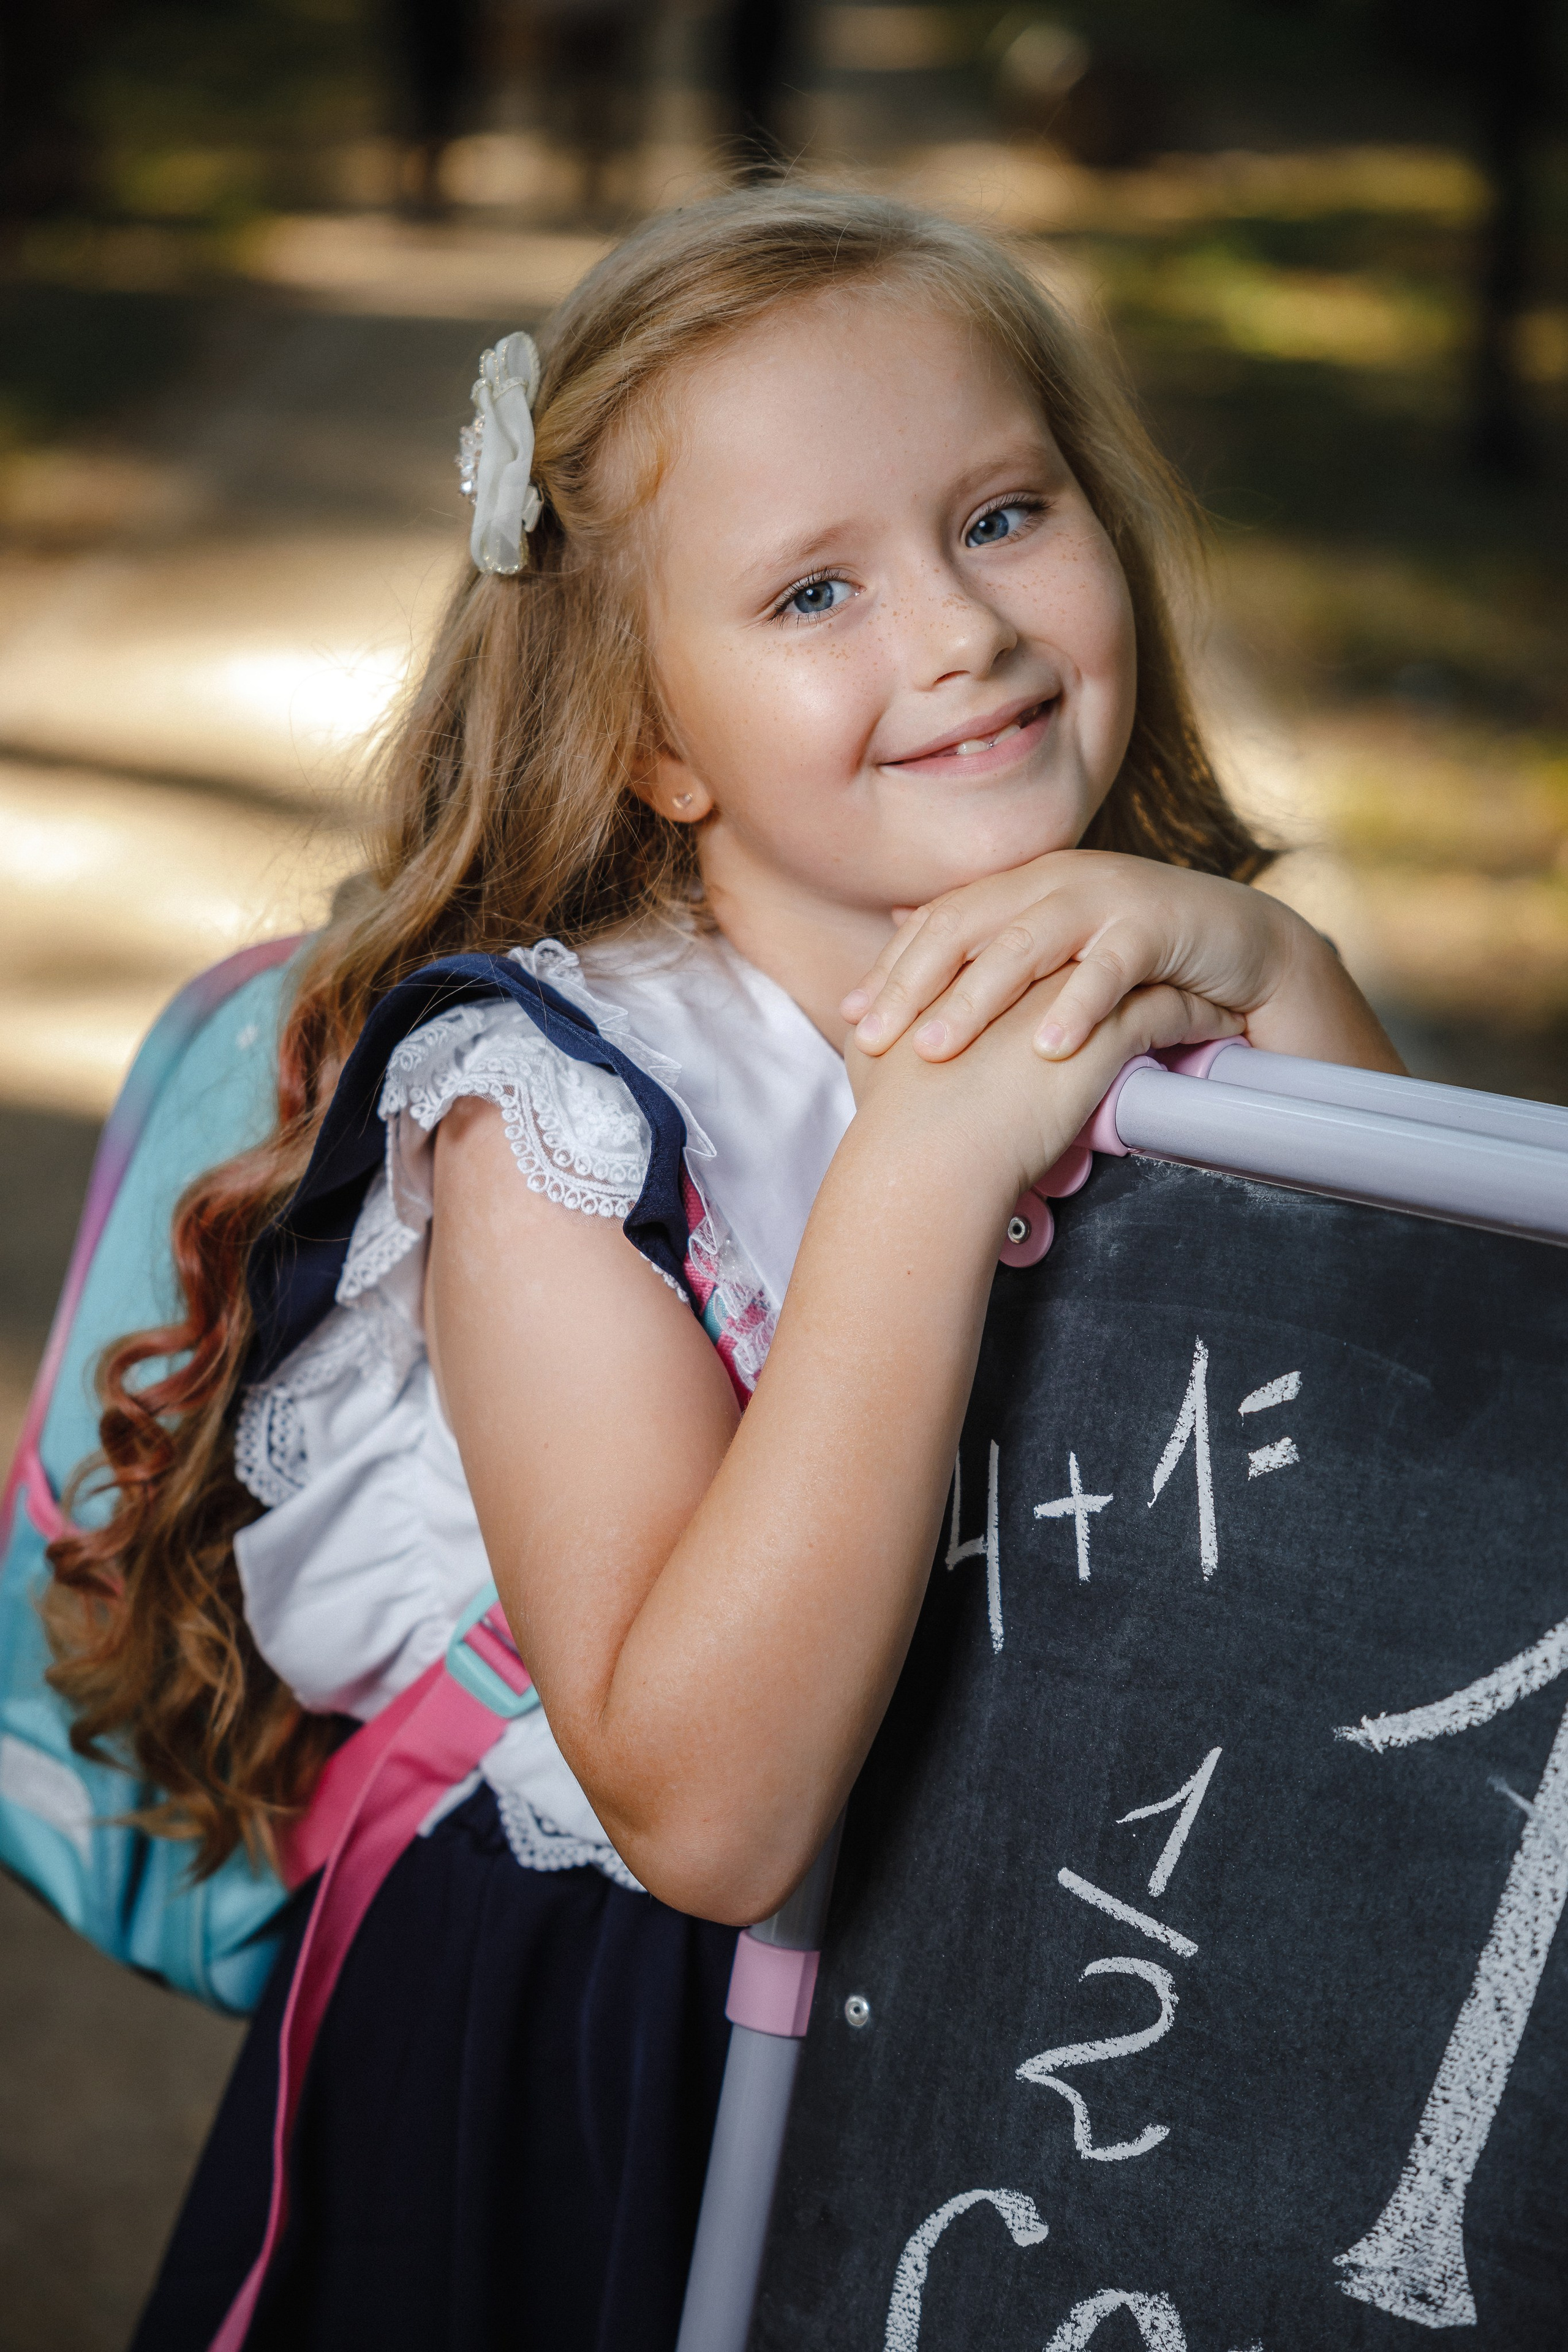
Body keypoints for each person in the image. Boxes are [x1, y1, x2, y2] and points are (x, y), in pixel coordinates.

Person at [45, 185, 1400, 2352]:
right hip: (616, 2056)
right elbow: (714, 1815)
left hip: (1045, 1998)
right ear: (655, 732)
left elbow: (1416, 1447)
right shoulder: (557, 1122)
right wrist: (920, 1175)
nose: (955, 632)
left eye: (1003, 515)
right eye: (814, 589)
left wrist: (1284, 967)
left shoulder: (1172, 964)